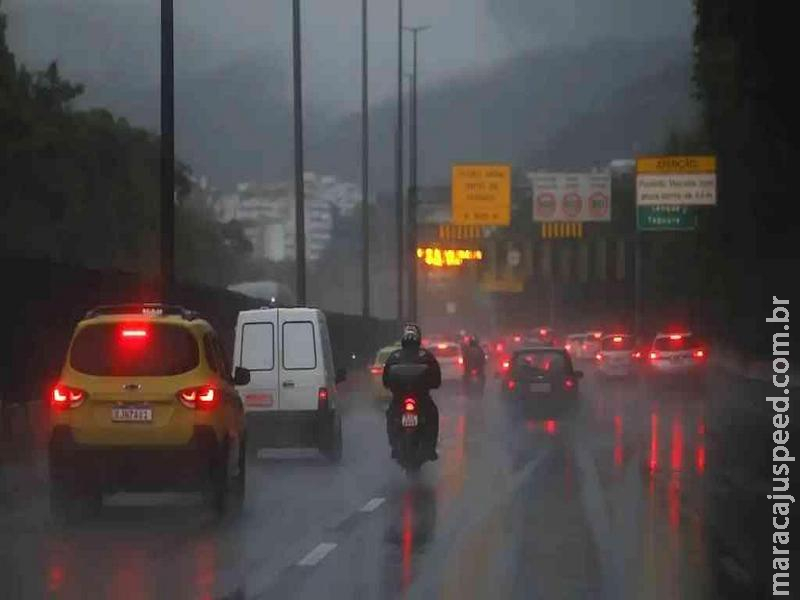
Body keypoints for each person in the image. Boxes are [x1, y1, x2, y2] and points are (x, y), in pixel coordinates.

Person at [383, 323, 441, 461]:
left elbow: (385, 381)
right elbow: (437, 379)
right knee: (433, 414)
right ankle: (430, 448)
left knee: (391, 414)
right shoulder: (426, 356)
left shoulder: (394, 356)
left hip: (402, 399)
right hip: (421, 399)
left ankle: (395, 447)